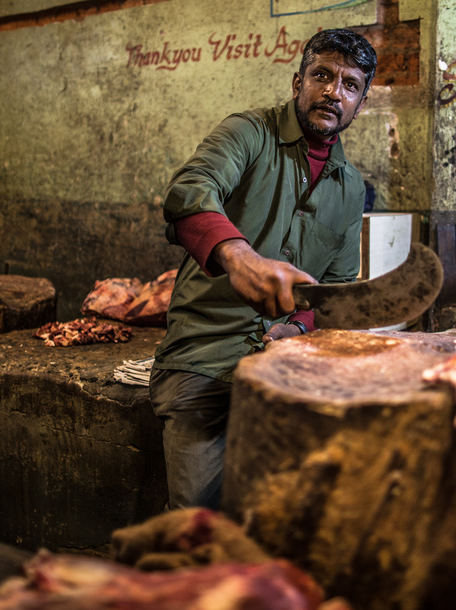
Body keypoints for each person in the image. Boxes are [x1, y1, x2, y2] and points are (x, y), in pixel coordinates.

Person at [149, 28, 376, 510]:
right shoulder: (248, 132)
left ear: (360, 103)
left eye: (351, 85)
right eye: (323, 76)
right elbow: (188, 193)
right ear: (298, 83)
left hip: (288, 368)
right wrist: (238, 257)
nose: (334, 92)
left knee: (315, 503)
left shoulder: (351, 187)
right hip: (205, 361)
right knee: (197, 520)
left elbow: (334, 291)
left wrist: (297, 328)